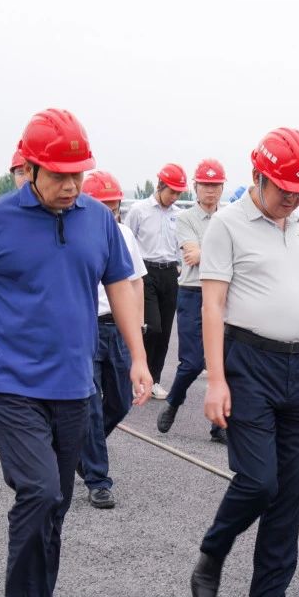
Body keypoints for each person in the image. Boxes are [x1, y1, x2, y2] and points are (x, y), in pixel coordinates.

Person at [0, 109, 150, 597]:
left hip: (73, 386)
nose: (71, 185)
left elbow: (120, 286)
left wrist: (138, 357)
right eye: (60, 175)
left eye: (78, 174)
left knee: (57, 502)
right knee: (38, 492)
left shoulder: (97, 220)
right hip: (12, 383)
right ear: (32, 168)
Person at [188, 128, 299, 597]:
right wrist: (216, 381)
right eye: (284, 189)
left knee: (290, 491)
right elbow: (213, 305)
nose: (293, 199)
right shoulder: (227, 225)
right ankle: (214, 549)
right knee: (258, 480)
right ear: (257, 176)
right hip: (248, 363)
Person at [76, 171, 147, 509]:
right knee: (90, 405)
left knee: (119, 401)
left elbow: (136, 282)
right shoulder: (75, 232)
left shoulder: (124, 234)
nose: (110, 211)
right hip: (85, 327)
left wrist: (138, 327)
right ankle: (98, 480)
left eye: (114, 205)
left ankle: (80, 450)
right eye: (103, 205)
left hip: (118, 327)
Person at [156, 158, 227, 443]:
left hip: (223, 293)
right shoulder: (184, 218)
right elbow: (192, 255)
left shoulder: (229, 217)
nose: (210, 190)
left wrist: (205, 253)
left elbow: (206, 255)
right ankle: (174, 401)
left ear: (222, 188)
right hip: (192, 291)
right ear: (195, 187)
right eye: (205, 184)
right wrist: (219, 254)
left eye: (216, 185)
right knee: (193, 361)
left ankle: (220, 425)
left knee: (226, 361)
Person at [126, 163, 186, 400]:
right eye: (172, 191)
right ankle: (137, 372)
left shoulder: (178, 214)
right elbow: (127, 240)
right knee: (151, 327)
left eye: (178, 193)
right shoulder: (139, 210)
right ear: (160, 185)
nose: (174, 197)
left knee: (165, 332)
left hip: (170, 272)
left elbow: (181, 245)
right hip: (145, 271)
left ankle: (155, 379)